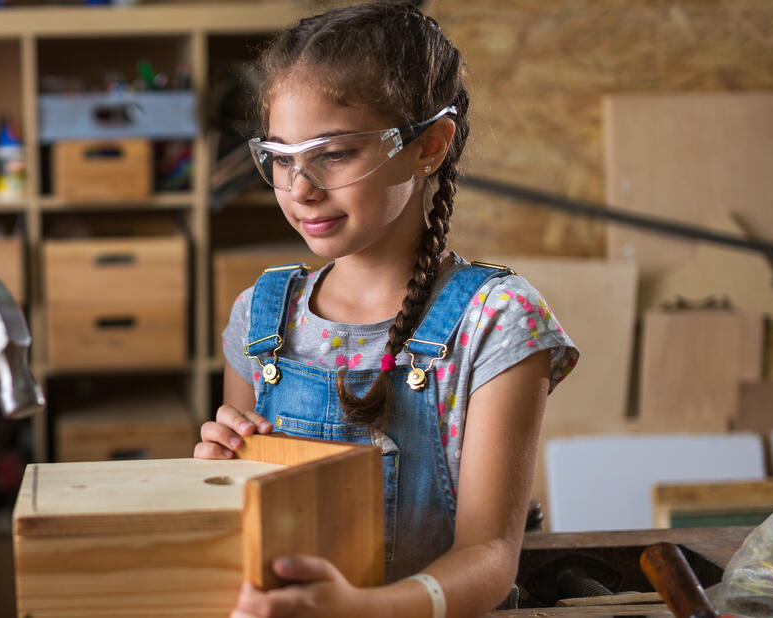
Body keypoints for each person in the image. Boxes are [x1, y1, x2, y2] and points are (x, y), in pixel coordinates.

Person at [196, 3, 579, 616]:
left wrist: (362, 608)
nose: (301, 188)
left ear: (430, 146)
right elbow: (240, 537)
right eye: (283, 157)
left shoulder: (498, 321)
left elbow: (489, 556)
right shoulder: (261, 317)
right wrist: (214, 478)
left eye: (334, 153)